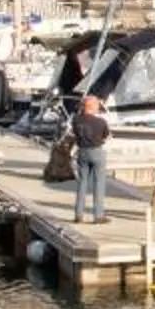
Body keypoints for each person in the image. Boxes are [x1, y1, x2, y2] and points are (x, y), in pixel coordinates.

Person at [71, 94, 112, 223]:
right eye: (97, 106)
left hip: (82, 152)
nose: (98, 108)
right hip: (97, 152)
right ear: (93, 107)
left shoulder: (76, 120)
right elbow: (107, 136)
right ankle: (98, 215)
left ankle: (79, 214)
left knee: (82, 183)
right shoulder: (100, 122)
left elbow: (75, 134)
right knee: (99, 184)